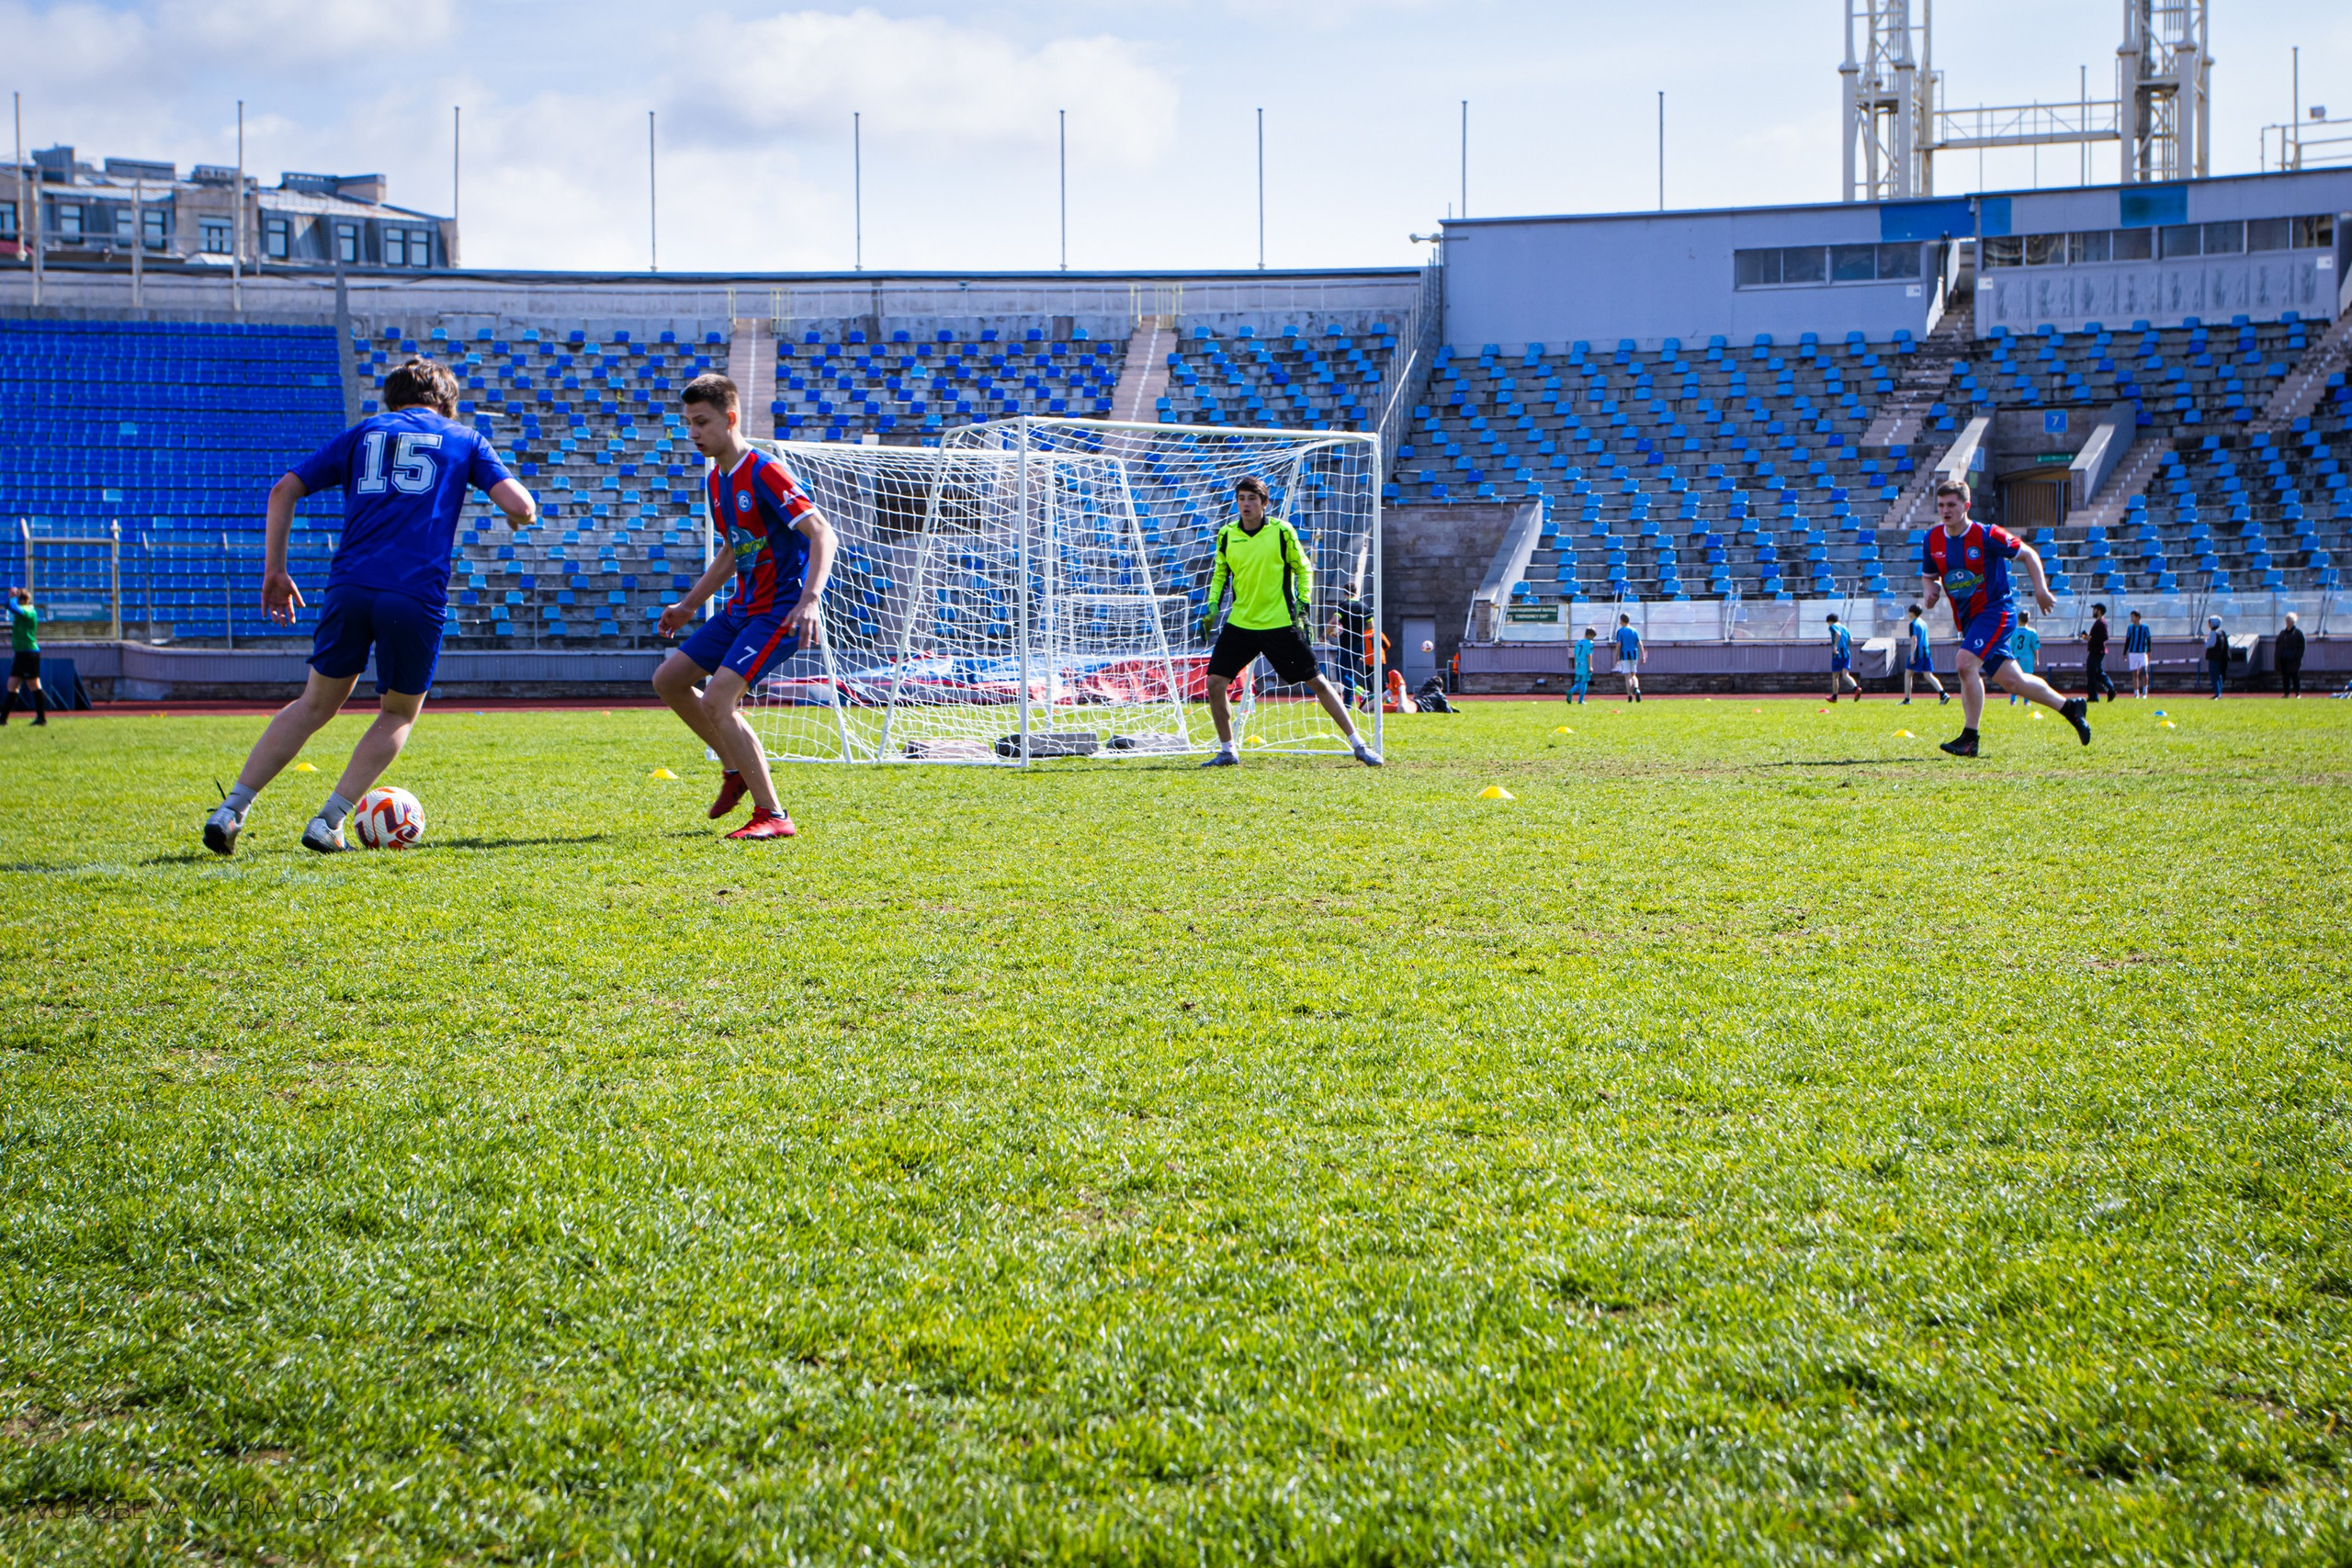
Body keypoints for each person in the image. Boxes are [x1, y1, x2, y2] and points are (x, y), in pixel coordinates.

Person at [203, 359, 537, 855]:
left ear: (392, 399)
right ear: (447, 401)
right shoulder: (464, 438)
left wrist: (275, 570)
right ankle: (329, 820)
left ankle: (231, 809)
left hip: (350, 585)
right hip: (414, 591)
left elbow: (283, 489)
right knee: (398, 711)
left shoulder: (364, 433)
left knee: (314, 703)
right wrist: (517, 518)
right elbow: (521, 505)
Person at [650, 374, 837, 839]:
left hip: (779, 609)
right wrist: (689, 606)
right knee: (669, 680)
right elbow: (733, 553)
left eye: (701, 422)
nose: (693, 433)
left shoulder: (764, 470)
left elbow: (822, 533)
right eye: (688, 423)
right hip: (743, 607)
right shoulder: (717, 480)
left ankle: (773, 815)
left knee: (719, 698)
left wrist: (810, 599)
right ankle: (735, 768)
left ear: (729, 418)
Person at [1196, 476, 1380, 767]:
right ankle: (1227, 751)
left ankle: (1359, 744)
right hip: (1241, 624)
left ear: (1264, 503)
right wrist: (1211, 607)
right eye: (1242, 498)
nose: (1246, 504)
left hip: (1279, 624)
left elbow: (1303, 569)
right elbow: (1221, 574)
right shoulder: (1227, 535)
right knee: (1215, 683)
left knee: (1318, 682)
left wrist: (1303, 603)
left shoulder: (1282, 532)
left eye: (1252, 499)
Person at [1917, 479, 2092, 757]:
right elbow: (1929, 576)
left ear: (1966, 506)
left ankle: (1970, 738)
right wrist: (1931, 592)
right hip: (1971, 621)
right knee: (2014, 682)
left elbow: (2029, 555)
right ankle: (2071, 708)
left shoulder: (1988, 535)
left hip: (1997, 612)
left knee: (1965, 663)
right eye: (1941, 505)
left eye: (1951, 504)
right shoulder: (1933, 539)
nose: (1945, 510)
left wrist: (2041, 590)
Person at [1325, 594, 1374, 711]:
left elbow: (1334, 621)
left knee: (1341, 675)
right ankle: (1347, 705)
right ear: (1356, 592)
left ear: (1344, 593)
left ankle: (1361, 692)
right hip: (1359, 645)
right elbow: (1371, 626)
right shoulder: (1365, 607)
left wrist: (1324, 634)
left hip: (1345, 645)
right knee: (1349, 674)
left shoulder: (1343, 605)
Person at [4, 587, 44, 728]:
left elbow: (12, 607)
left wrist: (13, 596)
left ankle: (41, 718)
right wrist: (12, 598)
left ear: (22, 601)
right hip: (21, 653)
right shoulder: (23, 611)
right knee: (12, 684)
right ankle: (3, 719)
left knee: (34, 685)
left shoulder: (28, 610)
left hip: (29, 653)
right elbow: (9, 605)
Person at [1901, 603, 1949, 705]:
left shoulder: (1913, 623)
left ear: (1911, 612)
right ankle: (1943, 694)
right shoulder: (1923, 623)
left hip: (1918, 652)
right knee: (1928, 675)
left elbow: (1914, 639)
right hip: (1926, 651)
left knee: (1908, 674)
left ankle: (1907, 700)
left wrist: (1912, 655)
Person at [2082, 602, 2116, 703]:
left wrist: (2090, 639)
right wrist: (2088, 638)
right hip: (2096, 651)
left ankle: (2094, 696)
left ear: (2099, 611)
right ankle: (2110, 689)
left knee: (2092, 673)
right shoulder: (2099, 622)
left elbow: (2105, 637)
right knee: (2097, 673)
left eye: (2095, 609)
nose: (2093, 611)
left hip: (2097, 651)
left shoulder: (2101, 622)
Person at [2006, 610, 2041, 704]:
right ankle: (2026, 700)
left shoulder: (2014, 632)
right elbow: (2035, 647)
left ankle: (2013, 700)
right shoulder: (2032, 632)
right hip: (2028, 658)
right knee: (2028, 679)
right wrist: (2036, 660)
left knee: (2015, 678)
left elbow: (2011, 647)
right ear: (2028, 620)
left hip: (2016, 658)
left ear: (2019, 620)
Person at [1826, 612, 1860, 702]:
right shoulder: (1844, 627)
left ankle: (1834, 697)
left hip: (1837, 655)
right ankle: (1856, 688)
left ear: (1830, 621)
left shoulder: (1832, 627)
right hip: (1847, 654)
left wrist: (1835, 646)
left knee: (1835, 676)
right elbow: (1851, 640)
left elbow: (1838, 634)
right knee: (1845, 675)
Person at [1613, 613, 1644, 702]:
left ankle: (1630, 696)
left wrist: (1616, 656)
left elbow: (1619, 644)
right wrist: (1643, 656)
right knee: (1634, 674)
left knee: (1627, 676)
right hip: (1634, 654)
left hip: (1624, 655)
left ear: (1622, 620)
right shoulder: (1634, 630)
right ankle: (1637, 688)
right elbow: (1640, 643)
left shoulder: (1620, 631)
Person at [2123, 609, 2153, 698]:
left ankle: (2145, 692)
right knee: (2134, 673)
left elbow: (2148, 640)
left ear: (2138, 617)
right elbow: (2128, 640)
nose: (2131, 618)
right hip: (2132, 652)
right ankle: (2136, 693)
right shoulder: (2130, 628)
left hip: (2142, 652)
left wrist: (2148, 651)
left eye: (2132, 616)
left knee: (2144, 671)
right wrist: (2124, 652)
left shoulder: (2145, 627)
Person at [2277, 612, 2305, 698]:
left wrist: (2297, 656)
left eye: (2289, 620)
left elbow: (2302, 646)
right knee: (2285, 677)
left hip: (2294, 660)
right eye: (2287, 620)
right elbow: (2278, 645)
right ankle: (2286, 693)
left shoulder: (2298, 633)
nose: (2287, 622)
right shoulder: (2283, 633)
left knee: (2294, 676)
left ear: (2293, 621)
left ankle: (2297, 693)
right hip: (2284, 659)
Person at [2203, 614, 2228, 699]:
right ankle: (2219, 692)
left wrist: (2206, 641)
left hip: (2214, 657)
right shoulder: (2221, 631)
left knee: (2214, 675)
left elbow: (2210, 644)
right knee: (2218, 675)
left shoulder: (2214, 632)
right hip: (2220, 657)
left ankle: (2217, 693)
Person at [1570, 626, 1595, 704]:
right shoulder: (1589, 643)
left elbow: (1575, 654)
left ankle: (1578, 697)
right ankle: (1576, 696)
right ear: (1589, 635)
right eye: (1592, 637)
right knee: (1584, 682)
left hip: (1578, 663)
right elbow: (1589, 655)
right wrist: (1590, 666)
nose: (1593, 639)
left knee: (1579, 681)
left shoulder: (1578, 642)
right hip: (1585, 664)